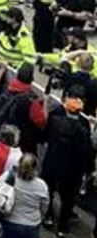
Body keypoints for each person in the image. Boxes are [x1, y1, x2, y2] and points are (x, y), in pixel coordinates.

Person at [41, 86, 94, 234]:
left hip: (53, 163)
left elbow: (45, 136)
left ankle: (48, 215)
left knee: (48, 192)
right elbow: (86, 153)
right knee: (67, 200)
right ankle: (62, 227)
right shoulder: (83, 128)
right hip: (72, 171)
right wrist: (87, 171)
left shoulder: (54, 118)